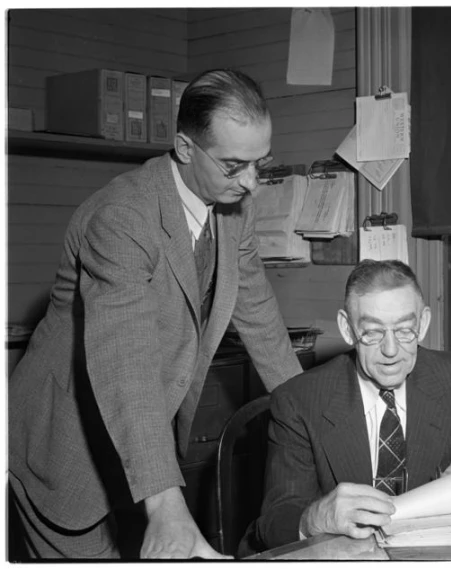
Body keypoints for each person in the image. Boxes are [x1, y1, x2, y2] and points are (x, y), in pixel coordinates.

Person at [8, 69, 303, 560]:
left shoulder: (234, 211)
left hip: (142, 448)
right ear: (186, 148)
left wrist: (313, 417)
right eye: (234, 166)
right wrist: (167, 503)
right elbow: (126, 359)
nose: (251, 183)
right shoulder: (122, 216)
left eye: (260, 163)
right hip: (66, 448)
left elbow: (261, 321)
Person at [249, 259, 451, 551]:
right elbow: (273, 522)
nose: (390, 350)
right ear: (347, 328)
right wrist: (313, 518)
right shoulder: (299, 400)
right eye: (372, 332)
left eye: (404, 330)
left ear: (423, 323)